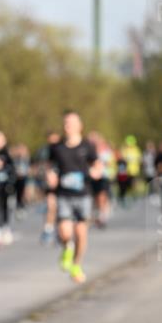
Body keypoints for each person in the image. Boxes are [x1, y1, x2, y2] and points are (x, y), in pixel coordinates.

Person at [46, 110, 102, 284]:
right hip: (64, 194)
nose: (67, 126)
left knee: (81, 233)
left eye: (71, 123)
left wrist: (97, 171)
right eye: (65, 123)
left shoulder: (87, 146)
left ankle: (77, 264)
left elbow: (97, 164)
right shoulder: (57, 148)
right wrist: (50, 176)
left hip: (83, 195)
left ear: (80, 126)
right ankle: (67, 247)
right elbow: (50, 166)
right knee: (64, 231)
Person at [37, 130, 61, 245]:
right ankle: (48, 229)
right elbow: (41, 167)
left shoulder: (63, 149)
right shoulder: (44, 151)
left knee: (60, 208)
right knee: (51, 205)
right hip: (49, 184)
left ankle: (58, 232)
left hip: (62, 184)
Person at [88, 131, 114, 228]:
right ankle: (98, 213)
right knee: (95, 197)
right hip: (92, 177)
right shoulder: (88, 150)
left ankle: (102, 215)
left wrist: (98, 163)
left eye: (94, 139)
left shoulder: (105, 150)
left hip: (104, 176)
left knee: (102, 195)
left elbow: (108, 162)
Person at [116, 135, 141, 207]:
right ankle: (122, 197)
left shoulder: (136, 149)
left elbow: (139, 158)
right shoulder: (124, 149)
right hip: (125, 172)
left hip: (134, 171)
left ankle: (132, 196)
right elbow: (121, 159)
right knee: (123, 185)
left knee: (132, 185)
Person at [10, 142, 31, 217]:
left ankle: (22, 206)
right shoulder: (15, 159)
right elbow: (13, 168)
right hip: (16, 178)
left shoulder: (27, 159)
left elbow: (29, 169)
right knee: (17, 192)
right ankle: (17, 204)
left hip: (25, 178)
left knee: (24, 192)